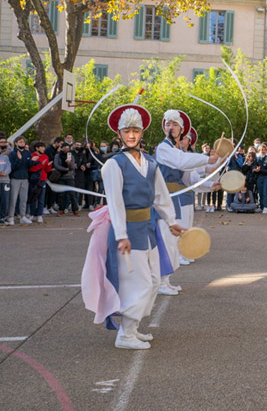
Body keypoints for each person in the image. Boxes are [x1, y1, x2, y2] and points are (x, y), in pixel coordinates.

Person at [81, 104, 182, 349]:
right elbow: (114, 202)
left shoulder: (149, 162)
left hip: (147, 230)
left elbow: (161, 196)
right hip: (127, 233)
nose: (132, 134)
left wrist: (171, 221)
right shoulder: (114, 165)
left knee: (155, 279)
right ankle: (125, 334)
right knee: (138, 282)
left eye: (136, 129)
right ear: (119, 134)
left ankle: (132, 328)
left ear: (142, 132)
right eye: (127, 130)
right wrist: (122, 234)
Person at [154, 109, 220, 294]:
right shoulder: (163, 148)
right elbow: (181, 162)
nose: (171, 127)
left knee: (172, 242)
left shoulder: (177, 150)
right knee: (165, 240)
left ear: (181, 129)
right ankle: (159, 282)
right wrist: (207, 159)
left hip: (173, 201)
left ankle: (165, 281)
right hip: (162, 199)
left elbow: (190, 180)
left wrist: (210, 185)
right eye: (168, 124)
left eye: (175, 124)